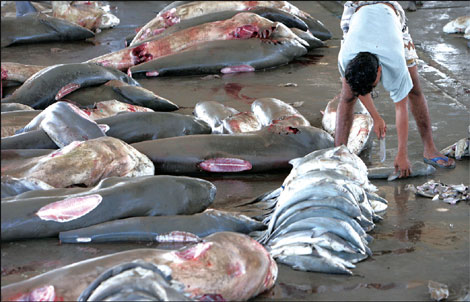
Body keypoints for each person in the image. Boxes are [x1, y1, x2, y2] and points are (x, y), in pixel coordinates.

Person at [334, 1, 455, 178]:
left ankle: (430, 149)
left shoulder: (396, 61)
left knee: (414, 89)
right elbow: (358, 87)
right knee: (347, 96)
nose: (372, 89)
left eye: (374, 85)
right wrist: (376, 117)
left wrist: (402, 154)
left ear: (380, 70)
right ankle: (338, 157)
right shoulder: (346, 58)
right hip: (357, 9)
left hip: (390, 12)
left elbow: (401, 107)